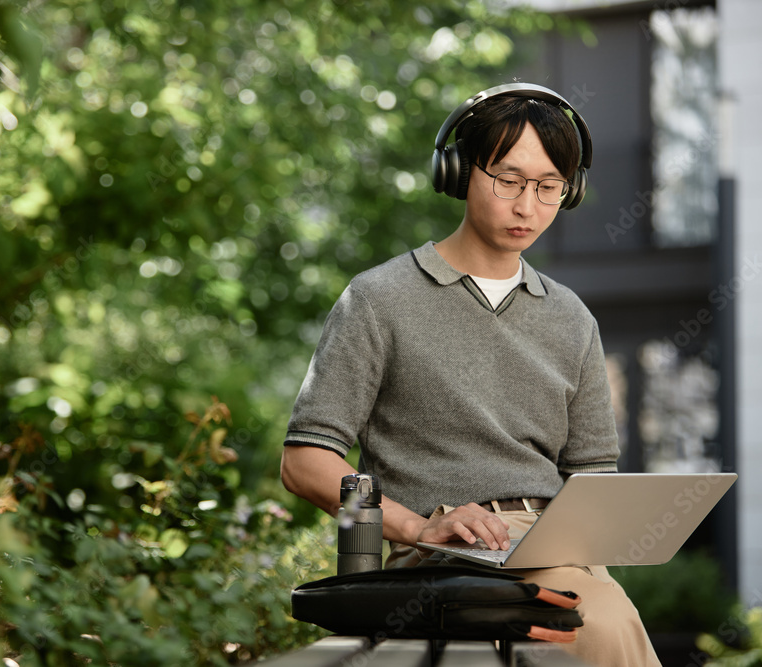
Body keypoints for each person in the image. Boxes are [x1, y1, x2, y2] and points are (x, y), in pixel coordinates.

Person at [280, 83, 661, 667]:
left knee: (601, 613)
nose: (527, 206)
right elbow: (304, 462)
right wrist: (416, 528)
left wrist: (588, 555)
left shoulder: (572, 318)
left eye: (549, 187)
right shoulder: (378, 299)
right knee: (600, 623)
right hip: (439, 553)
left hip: (555, 552)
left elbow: (592, 478)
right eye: (508, 180)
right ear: (457, 173)